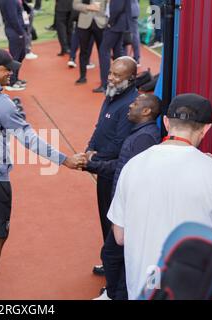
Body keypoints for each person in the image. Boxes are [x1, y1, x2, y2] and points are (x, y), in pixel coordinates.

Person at [0, 49, 82, 300]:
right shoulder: (1, 102)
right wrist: (65, 160)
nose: (11, 73)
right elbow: (29, 139)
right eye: (6, 69)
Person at [108, 93, 212, 299]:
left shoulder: (132, 165)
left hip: (142, 287)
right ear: (206, 128)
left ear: (166, 122)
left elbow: (120, 236)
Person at [79, 94, 162, 300]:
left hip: (132, 209)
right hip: (127, 205)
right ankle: (113, 293)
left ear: (146, 111)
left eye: (135, 104)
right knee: (115, 254)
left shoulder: (144, 138)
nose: (130, 106)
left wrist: (91, 164)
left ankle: (116, 294)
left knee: (115, 254)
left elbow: (124, 168)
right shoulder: (140, 134)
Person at [82, 56, 138, 276]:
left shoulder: (129, 104)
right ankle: (110, 261)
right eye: (110, 73)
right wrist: (89, 148)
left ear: (131, 78)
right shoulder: (112, 93)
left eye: (117, 75)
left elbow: (119, 144)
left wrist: (92, 161)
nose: (111, 78)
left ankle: (116, 268)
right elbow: (100, 127)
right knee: (104, 216)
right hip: (102, 168)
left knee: (114, 221)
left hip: (113, 173)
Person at [94, 0, 132, 93]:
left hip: (115, 25)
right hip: (120, 24)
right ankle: (119, 81)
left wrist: (110, 22)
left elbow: (117, 8)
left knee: (104, 51)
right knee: (118, 52)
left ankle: (106, 84)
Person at [73, 0, 107, 84]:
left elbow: (109, 6)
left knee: (103, 52)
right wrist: (88, 7)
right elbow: (75, 5)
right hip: (84, 23)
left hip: (101, 23)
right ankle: (82, 76)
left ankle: (104, 79)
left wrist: (100, 10)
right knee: (83, 51)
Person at [0, 0, 27, 91]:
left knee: (21, 55)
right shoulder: (10, 1)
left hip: (15, 30)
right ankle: (11, 82)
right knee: (15, 57)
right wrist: (20, 32)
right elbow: (12, 17)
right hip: (15, 31)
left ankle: (15, 78)